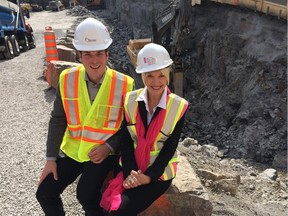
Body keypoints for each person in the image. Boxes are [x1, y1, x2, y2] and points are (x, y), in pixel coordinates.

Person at [36, 17, 134, 216]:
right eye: (87, 54)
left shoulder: (125, 84)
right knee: (45, 193)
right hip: (74, 150)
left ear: (107, 54)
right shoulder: (67, 79)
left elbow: (129, 127)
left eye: (99, 53)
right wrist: (51, 158)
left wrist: (109, 147)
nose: (94, 60)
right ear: (79, 55)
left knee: (86, 195)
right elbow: (58, 119)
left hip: (103, 153)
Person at [100, 43, 189, 215]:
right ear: (142, 76)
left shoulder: (178, 106)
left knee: (120, 211)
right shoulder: (130, 101)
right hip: (130, 167)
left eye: (161, 75)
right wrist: (131, 172)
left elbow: (170, 147)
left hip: (158, 173)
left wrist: (148, 176)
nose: (156, 82)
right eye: (150, 76)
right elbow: (125, 140)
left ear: (168, 75)